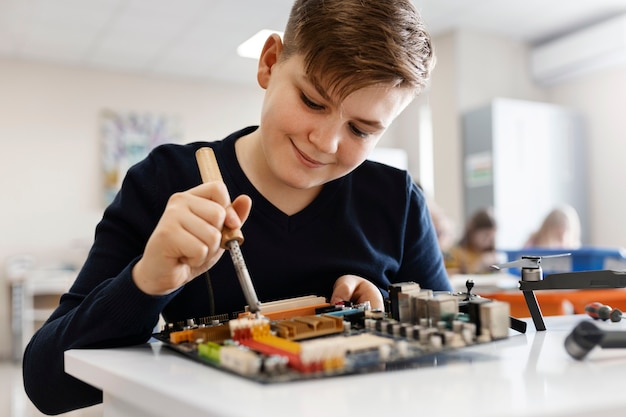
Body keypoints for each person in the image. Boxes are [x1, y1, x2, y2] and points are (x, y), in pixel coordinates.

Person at [23, 0, 451, 414]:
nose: (326, 141)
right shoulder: (165, 180)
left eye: (360, 129)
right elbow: (47, 385)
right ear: (269, 62)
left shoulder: (396, 200)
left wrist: (383, 317)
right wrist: (144, 282)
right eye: (312, 101)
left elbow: (458, 361)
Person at [445, 208, 500, 274]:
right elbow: (448, 275)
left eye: (491, 238)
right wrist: (477, 266)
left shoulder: (489, 254)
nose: (488, 242)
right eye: (485, 236)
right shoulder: (456, 252)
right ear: (473, 231)